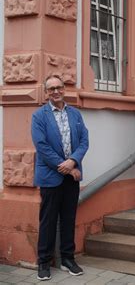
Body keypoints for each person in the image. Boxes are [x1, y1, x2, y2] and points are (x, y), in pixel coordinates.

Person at [31, 75, 89, 281]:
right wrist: (66, 167)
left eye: (59, 87)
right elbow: (42, 147)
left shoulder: (75, 114)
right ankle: (44, 262)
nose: (55, 91)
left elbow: (84, 140)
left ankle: (67, 259)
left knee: (68, 219)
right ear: (46, 92)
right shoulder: (39, 116)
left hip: (71, 176)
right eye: (51, 89)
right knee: (47, 221)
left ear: (64, 89)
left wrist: (73, 161)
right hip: (50, 176)